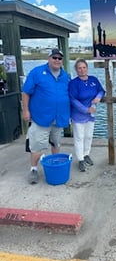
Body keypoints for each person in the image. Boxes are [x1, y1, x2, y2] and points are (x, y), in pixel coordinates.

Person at [22, 48, 71, 184]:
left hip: (59, 117)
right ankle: (33, 169)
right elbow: (26, 92)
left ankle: (55, 164)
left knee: (56, 143)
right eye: (54, 58)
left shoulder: (65, 76)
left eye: (59, 58)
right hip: (40, 117)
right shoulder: (37, 72)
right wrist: (25, 111)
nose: (57, 60)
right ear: (48, 59)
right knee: (37, 146)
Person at [69, 58, 105, 172]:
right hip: (79, 114)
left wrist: (98, 97)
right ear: (76, 70)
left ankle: (86, 154)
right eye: (79, 68)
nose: (82, 70)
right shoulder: (73, 83)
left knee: (89, 136)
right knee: (79, 137)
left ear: (87, 68)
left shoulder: (93, 79)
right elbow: (73, 100)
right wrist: (85, 110)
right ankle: (80, 159)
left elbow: (101, 90)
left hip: (91, 114)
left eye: (84, 67)